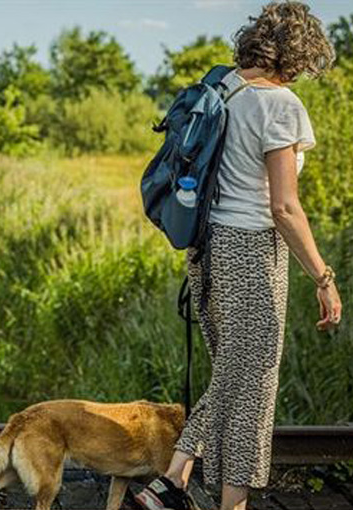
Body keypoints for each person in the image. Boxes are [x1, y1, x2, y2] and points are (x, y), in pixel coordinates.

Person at [134, 3, 342, 510]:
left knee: (237, 376)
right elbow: (284, 206)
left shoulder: (224, 88)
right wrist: (323, 275)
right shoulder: (281, 104)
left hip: (208, 250)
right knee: (249, 382)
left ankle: (198, 489)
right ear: (298, 54)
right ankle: (182, 484)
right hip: (251, 249)